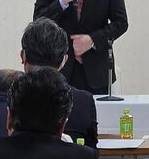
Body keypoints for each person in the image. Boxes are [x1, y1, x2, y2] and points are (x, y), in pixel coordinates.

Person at [21, 18, 98, 148]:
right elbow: (91, 152)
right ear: (64, 60)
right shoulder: (83, 101)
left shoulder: (11, 96)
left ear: (23, 56)